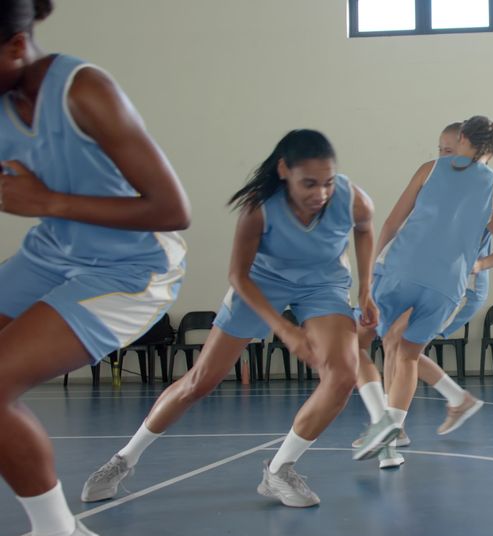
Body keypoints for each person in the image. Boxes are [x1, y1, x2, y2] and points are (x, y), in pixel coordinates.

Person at [81, 129, 379, 509]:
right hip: (261, 283)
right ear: (284, 170)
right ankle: (123, 460)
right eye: (309, 183)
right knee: (199, 383)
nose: (320, 193)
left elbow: (365, 231)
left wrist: (367, 288)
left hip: (323, 286)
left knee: (341, 376)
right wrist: (285, 330)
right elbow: (238, 275)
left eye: (328, 182)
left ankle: (280, 469)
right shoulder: (259, 208)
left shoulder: (355, 201)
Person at [0, 1, 190, 536]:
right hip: (51, 253)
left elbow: (171, 208)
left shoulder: (83, 91)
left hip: (131, 269)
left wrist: (47, 202)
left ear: (14, 48)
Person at [351, 115, 493, 462]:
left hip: (400, 270)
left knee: (367, 344)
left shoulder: (431, 169)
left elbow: (393, 221)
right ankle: (394, 436)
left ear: (463, 139)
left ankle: (388, 425)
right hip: (445, 286)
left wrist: (370, 271)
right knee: (403, 351)